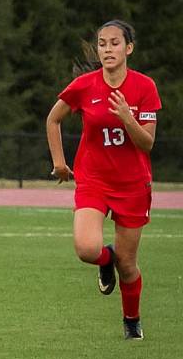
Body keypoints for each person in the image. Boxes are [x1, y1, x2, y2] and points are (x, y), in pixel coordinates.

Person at [46, 20, 161, 340]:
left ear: (129, 48)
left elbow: (147, 144)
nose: (107, 49)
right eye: (102, 43)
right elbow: (53, 119)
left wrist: (127, 117)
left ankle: (131, 321)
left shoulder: (145, 87)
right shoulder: (85, 85)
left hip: (133, 186)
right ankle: (104, 259)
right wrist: (59, 163)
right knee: (86, 248)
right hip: (93, 180)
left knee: (129, 265)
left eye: (114, 43)